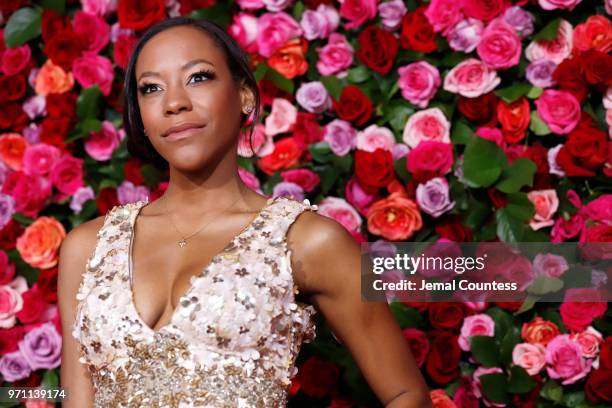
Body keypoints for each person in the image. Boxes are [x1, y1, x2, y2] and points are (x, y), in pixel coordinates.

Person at [58, 16, 431, 408]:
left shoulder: (307, 241)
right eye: (151, 88)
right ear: (142, 119)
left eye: (198, 77)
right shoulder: (88, 247)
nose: (174, 102)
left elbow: (409, 395)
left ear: (245, 98)